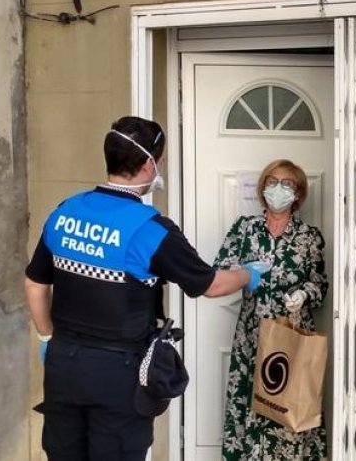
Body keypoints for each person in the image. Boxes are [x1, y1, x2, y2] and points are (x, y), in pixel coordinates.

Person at [24, 115, 269, 461]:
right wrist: (247, 274)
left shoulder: (65, 212)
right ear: (147, 164)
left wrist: (48, 338)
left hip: (64, 367)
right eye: (161, 160)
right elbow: (211, 285)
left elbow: (35, 283)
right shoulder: (150, 230)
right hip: (118, 375)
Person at [214, 158, 329, 460]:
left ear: (299, 193)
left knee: (288, 402)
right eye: (272, 182)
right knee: (251, 402)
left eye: (287, 184)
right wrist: (243, 273)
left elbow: (321, 285)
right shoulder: (245, 229)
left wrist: (304, 294)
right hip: (252, 336)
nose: (278, 189)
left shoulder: (308, 237)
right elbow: (219, 272)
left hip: (290, 336)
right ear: (263, 187)